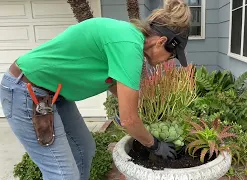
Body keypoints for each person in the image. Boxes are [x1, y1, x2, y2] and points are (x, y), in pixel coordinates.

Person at [0, 0, 191, 179]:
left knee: (84, 149)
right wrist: (154, 145)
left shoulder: (129, 39)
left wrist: (132, 111)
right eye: (172, 55)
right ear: (161, 41)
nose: (169, 61)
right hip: (28, 91)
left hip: (55, 94)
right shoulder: (129, 45)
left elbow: (115, 86)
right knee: (63, 174)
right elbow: (129, 120)